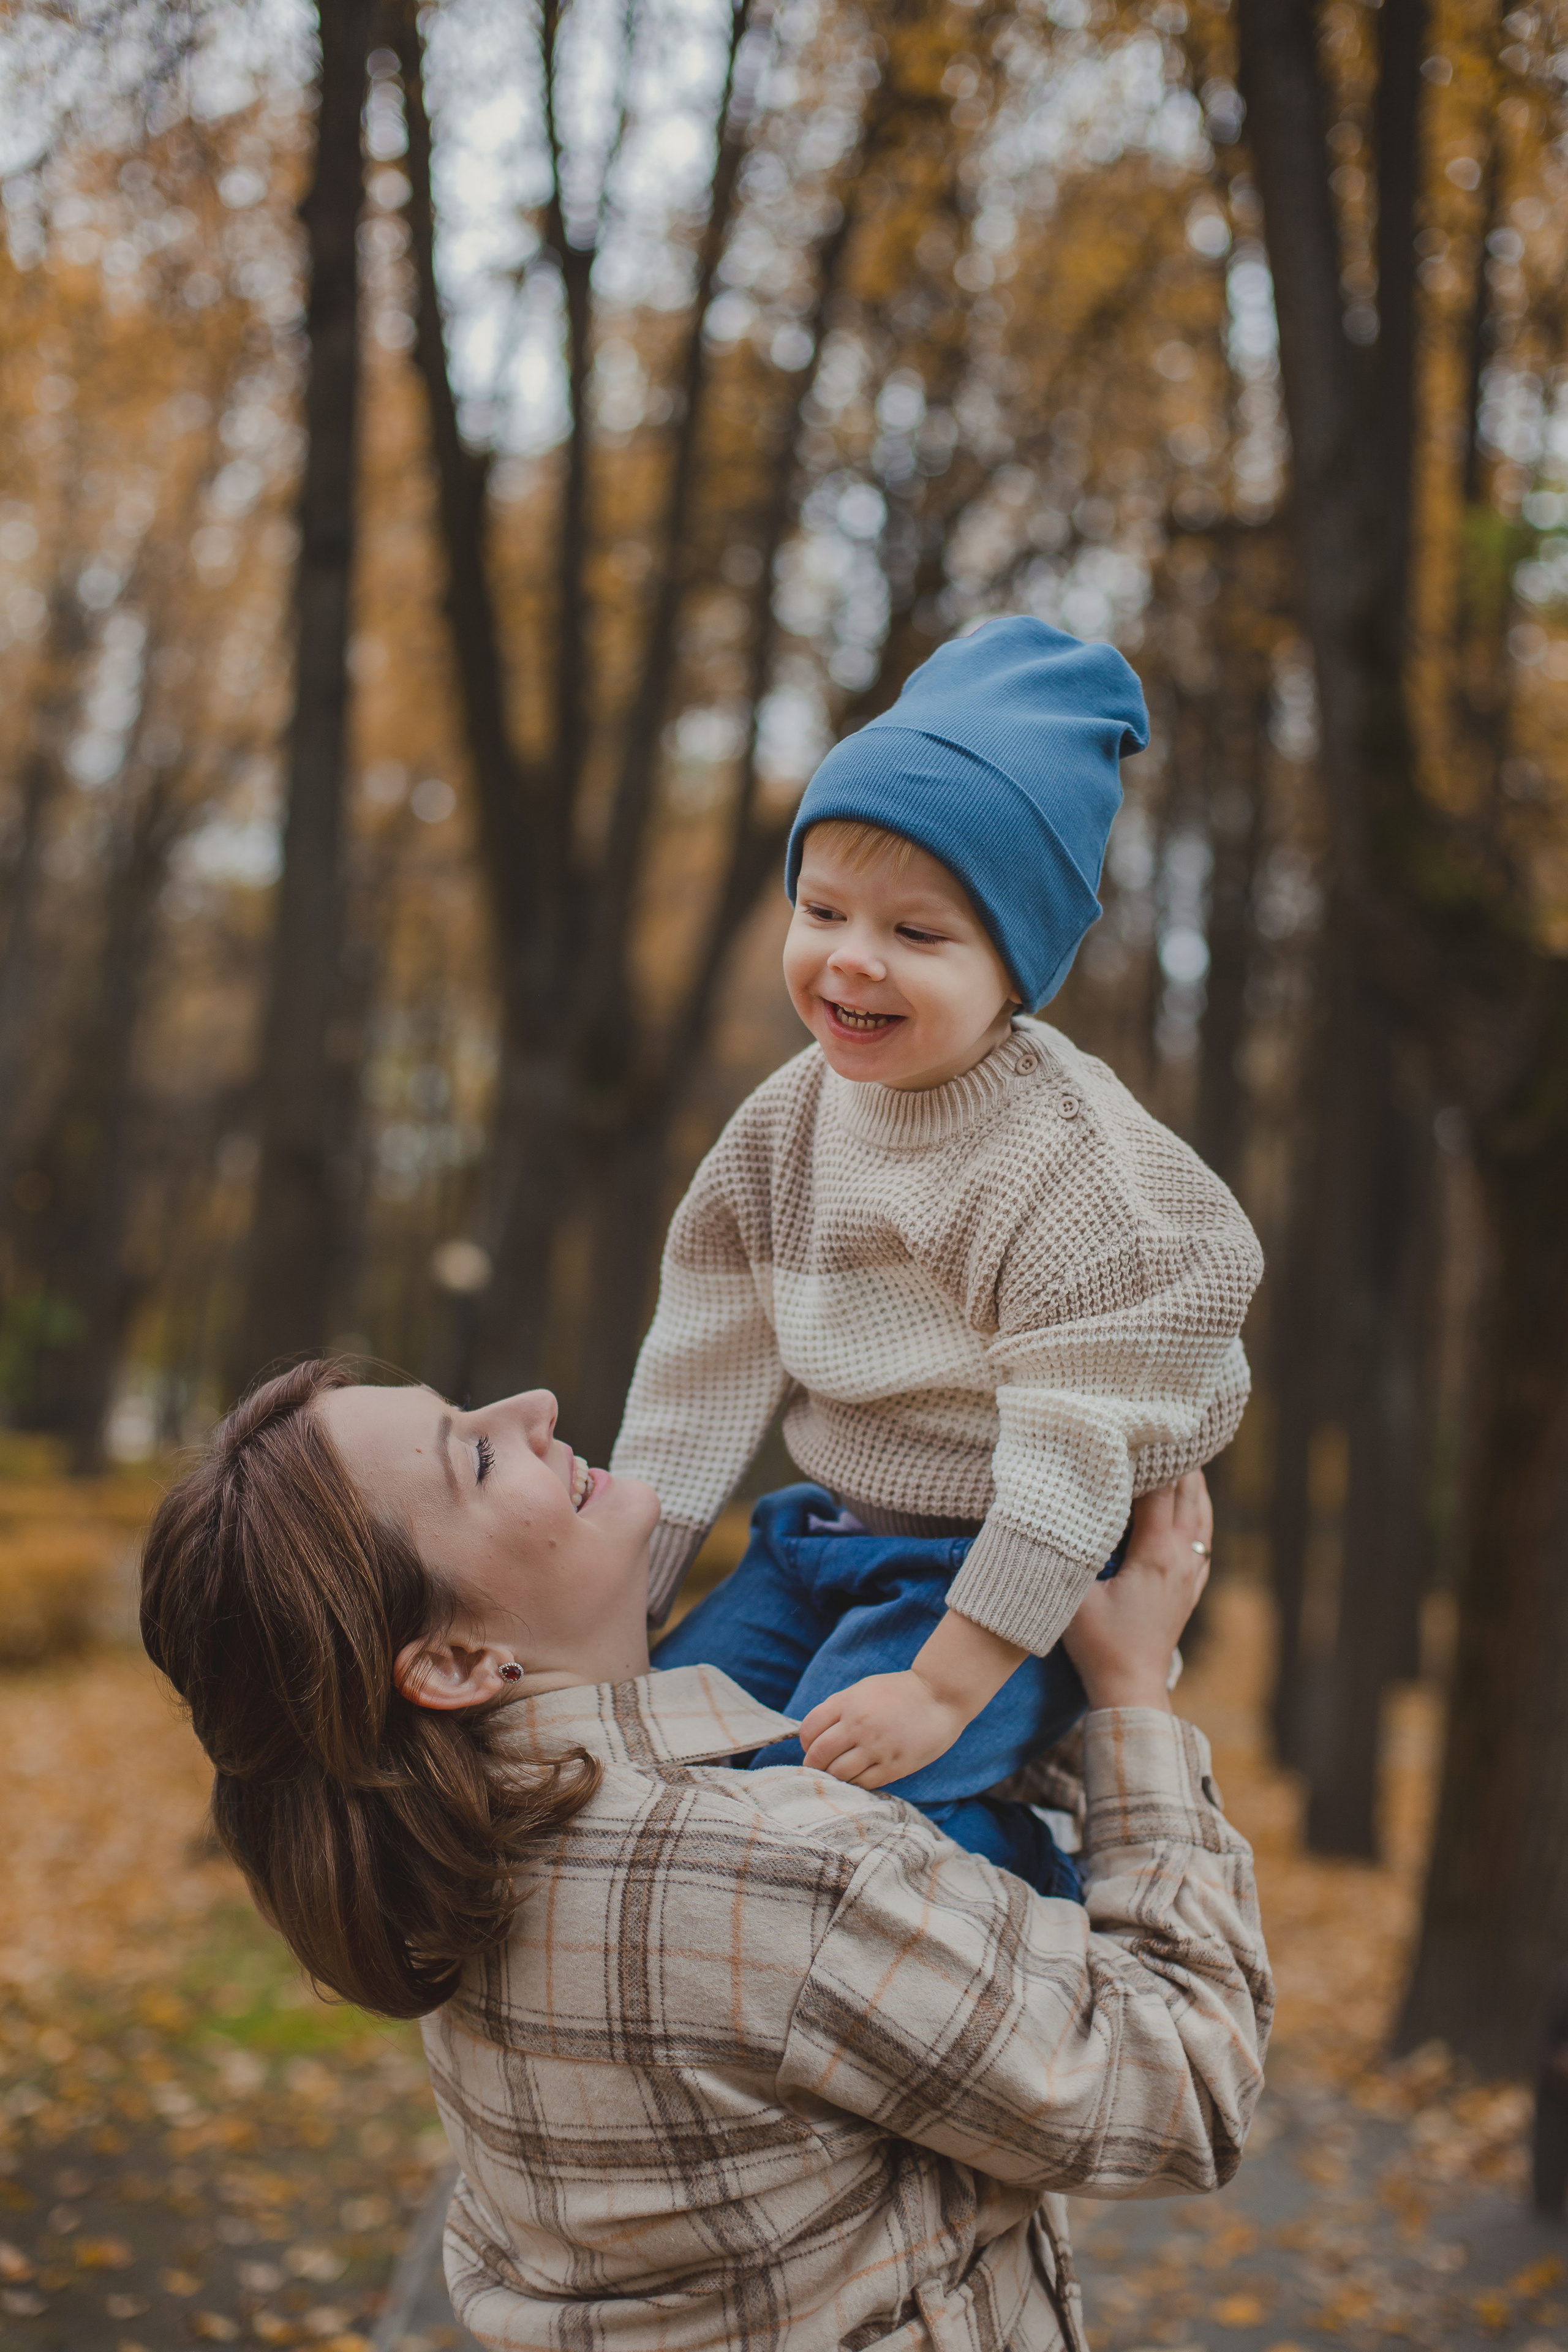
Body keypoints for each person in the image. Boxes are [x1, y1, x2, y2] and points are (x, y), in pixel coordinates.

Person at [140, 1362, 1271, 2352]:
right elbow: (1190, 2089)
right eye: (476, 1457)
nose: (531, 1405)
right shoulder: (778, 1870)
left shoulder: (443, 1863)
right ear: (452, 1659)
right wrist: (1131, 1696)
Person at [611, 617, 1264, 1894]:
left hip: (1000, 1567)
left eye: (917, 935)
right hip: (822, 1536)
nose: (851, 955)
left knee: (818, 1805)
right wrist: (625, 1594)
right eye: (823, 908)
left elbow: (1067, 1458)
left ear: (1014, 971)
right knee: (657, 1751)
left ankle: (1020, 1885)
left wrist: (940, 1688)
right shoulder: (784, 1126)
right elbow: (699, 1370)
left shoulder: (1064, 1171)